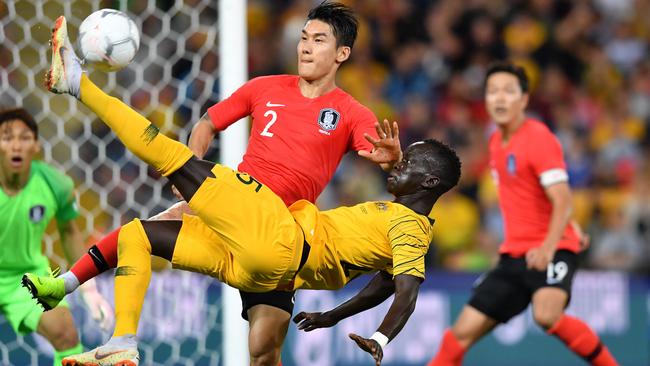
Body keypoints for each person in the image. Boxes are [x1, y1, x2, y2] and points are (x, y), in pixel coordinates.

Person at [29, 25, 462, 364]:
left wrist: (392, 158)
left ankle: (77, 84)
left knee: (163, 153)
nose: (305, 47)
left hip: (271, 227)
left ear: (342, 54)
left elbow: (392, 172)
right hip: (253, 241)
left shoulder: (353, 116)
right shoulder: (265, 87)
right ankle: (120, 338)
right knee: (138, 237)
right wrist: (194, 174)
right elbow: (207, 123)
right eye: (303, 38)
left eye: (319, 40)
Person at [422, 63, 618, 365]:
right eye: (492, 92)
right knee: (459, 333)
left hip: (551, 249)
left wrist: (551, 245)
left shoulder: (538, 138)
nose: (500, 98)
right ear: (485, 100)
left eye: (508, 91)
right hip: (514, 256)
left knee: (546, 314)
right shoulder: (495, 143)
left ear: (524, 100)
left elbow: (563, 198)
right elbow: (535, 195)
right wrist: (572, 224)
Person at [0, 108, 113, 366]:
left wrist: (90, 289)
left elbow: (70, 232)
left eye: (24, 137)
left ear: (36, 146)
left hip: (26, 276)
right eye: (7, 137)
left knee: (66, 335)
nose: (16, 145)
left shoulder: (56, 185)